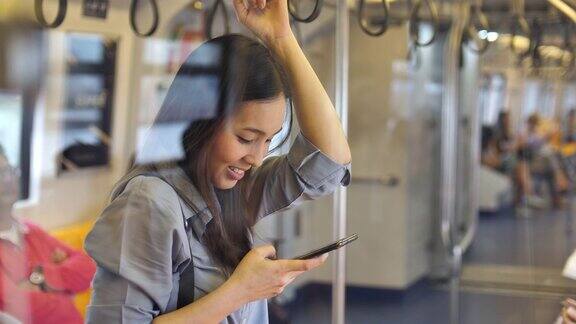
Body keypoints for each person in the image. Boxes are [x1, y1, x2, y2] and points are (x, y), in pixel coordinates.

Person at [84, 0, 351, 323]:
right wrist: (242, 290)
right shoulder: (149, 203)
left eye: (268, 140)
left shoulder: (233, 190)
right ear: (199, 120)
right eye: (246, 138)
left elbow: (329, 162)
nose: (256, 158)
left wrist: (282, 38)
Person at [0, 145, 96, 324]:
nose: (7, 180)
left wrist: (40, 275)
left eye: (9, 171)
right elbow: (18, 307)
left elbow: (88, 268)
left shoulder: (30, 231)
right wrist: (65, 287)